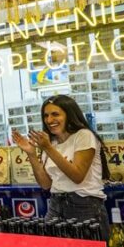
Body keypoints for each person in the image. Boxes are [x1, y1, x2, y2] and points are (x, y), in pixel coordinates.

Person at [12, 95, 110, 237]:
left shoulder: (84, 135)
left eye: (55, 114)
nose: (49, 120)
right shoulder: (51, 142)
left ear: (69, 114)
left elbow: (77, 176)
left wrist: (48, 148)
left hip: (85, 206)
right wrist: (31, 154)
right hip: (55, 204)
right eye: (46, 116)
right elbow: (45, 184)